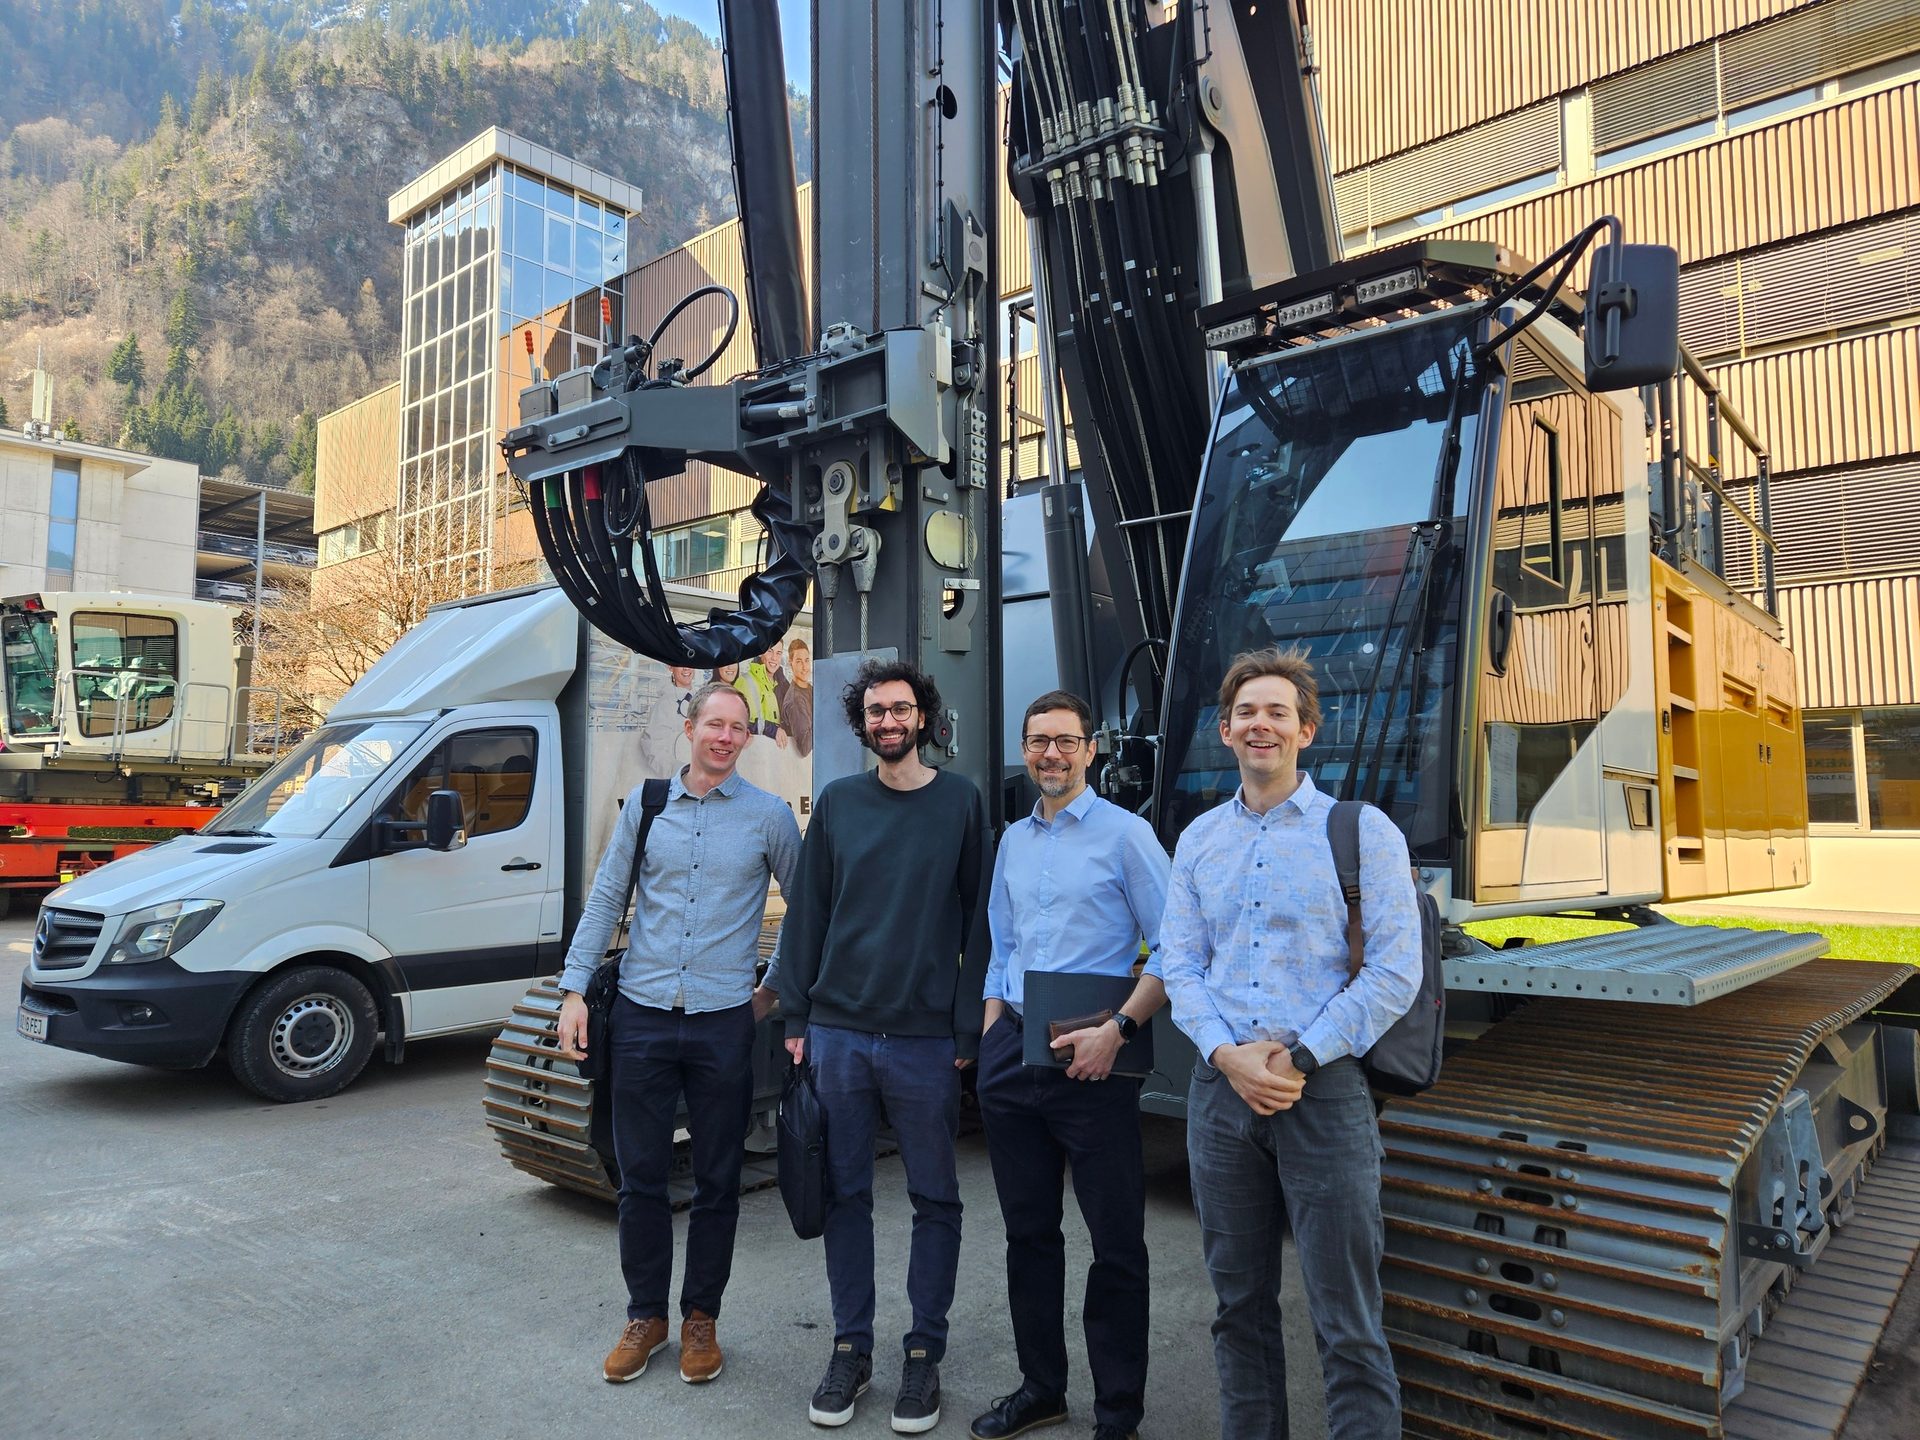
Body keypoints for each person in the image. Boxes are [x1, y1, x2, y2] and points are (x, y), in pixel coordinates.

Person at [1159, 649, 1422, 1440]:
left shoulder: (1362, 831)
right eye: (1247, 713)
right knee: (1238, 1309)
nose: (1260, 724)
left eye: (1278, 712)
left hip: (1326, 1092)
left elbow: (1394, 970)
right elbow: (1179, 963)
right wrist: (1226, 1056)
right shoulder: (1200, 840)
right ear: (1225, 730)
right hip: (1220, 1095)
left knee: (1348, 1317)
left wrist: (1300, 1057)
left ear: (1306, 730)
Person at [555, 681, 801, 1389]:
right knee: (640, 1178)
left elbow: (810, 906)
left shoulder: (770, 819)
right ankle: (646, 1318)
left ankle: (701, 1319)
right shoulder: (648, 803)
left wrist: (770, 991)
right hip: (641, 1016)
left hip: (726, 1022)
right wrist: (575, 989)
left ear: (748, 739)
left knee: (719, 1178)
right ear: (689, 727)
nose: (725, 737)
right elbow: (607, 895)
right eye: (714, 724)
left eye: (738, 728)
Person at [778, 658, 990, 1434]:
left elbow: (979, 924)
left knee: (936, 1198)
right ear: (862, 723)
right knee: (846, 1197)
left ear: (923, 719)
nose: (889, 722)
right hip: (836, 1034)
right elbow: (808, 917)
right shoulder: (837, 805)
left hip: (926, 1041)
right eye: (876, 712)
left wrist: (967, 1024)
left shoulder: (961, 805)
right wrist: (796, 1019)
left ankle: (923, 1356)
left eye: (901, 709)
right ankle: (850, 1349)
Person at [971, 689, 1169, 1440]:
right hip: (1014, 1058)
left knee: (1115, 1244)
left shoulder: (1128, 837)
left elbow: (1178, 946)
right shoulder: (1013, 841)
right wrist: (994, 1038)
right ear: (1024, 750)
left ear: (1091, 749)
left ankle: (1118, 1414)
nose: (1049, 753)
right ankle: (1041, 1388)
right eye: (1036, 741)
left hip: (1096, 1067)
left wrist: (1118, 1029)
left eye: (1064, 740)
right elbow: (1002, 947)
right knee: (1030, 1236)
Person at [776, 636, 815, 758]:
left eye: (807, 660)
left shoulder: (811, 689)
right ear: (790, 662)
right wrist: (824, 719)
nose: (805, 667)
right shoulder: (795, 700)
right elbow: (805, 747)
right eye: (799, 661)